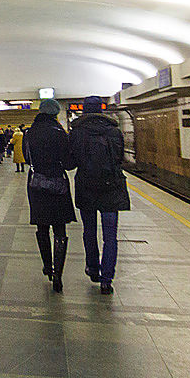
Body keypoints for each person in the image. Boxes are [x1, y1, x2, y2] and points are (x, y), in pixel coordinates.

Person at [68, 96, 129, 295]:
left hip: (86, 187)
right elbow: (120, 158)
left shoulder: (77, 132)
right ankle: (107, 279)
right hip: (111, 188)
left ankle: (93, 268)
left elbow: (72, 162)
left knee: (89, 231)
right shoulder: (114, 131)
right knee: (111, 236)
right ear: (101, 110)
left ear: (85, 110)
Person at [23, 99, 76, 293]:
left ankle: (48, 266)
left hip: (36, 183)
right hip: (57, 184)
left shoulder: (29, 133)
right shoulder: (59, 133)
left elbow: (28, 158)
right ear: (55, 114)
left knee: (42, 226)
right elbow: (69, 163)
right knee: (59, 229)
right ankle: (58, 277)